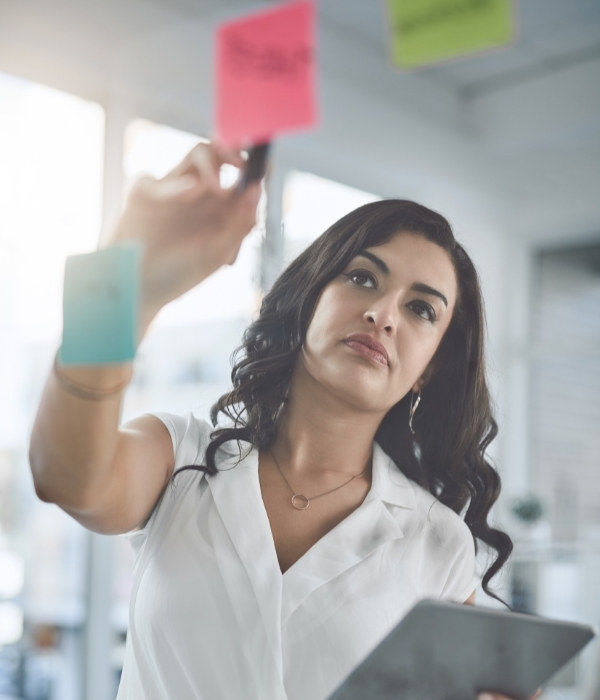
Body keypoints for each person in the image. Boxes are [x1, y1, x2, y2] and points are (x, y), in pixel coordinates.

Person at [29, 143, 531, 700]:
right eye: (363, 278)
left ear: (427, 371)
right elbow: (65, 476)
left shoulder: (436, 542)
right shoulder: (181, 457)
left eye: (421, 309)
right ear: (309, 298)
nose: (382, 314)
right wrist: (122, 278)